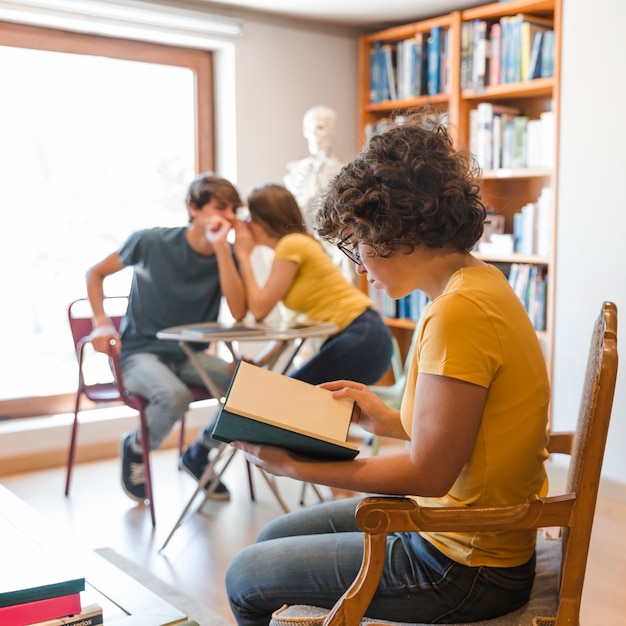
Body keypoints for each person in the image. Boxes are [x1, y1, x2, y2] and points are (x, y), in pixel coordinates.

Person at [224, 108, 551, 626]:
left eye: (357, 245)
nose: (359, 266)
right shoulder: (475, 285)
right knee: (273, 540)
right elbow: (462, 437)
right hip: (463, 537)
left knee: (246, 575)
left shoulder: (458, 313)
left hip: (463, 567)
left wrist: (295, 467)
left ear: (392, 231)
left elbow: (429, 471)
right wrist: (384, 418)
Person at [183, 183, 393, 464]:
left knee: (277, 403)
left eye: (249, 218)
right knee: (283, 404)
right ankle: (201, 452)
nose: (244, 225)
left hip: (361, 336)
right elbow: (291, 329)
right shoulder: (292, 249)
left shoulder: (291, 245)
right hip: (365, 339)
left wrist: (243, 255)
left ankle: (200, 451)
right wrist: (262, 361)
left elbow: (258, 309)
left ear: (263, 220)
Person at [86, 172, 247, 504]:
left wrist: (223, 250)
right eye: (220, 207)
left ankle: (200, 453)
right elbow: (95, 273)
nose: (229, 216)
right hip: (140, 353)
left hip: (189, 355)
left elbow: (239, 310)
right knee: (174, 397)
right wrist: (101, 322)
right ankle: (135, 446)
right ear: (193, 207)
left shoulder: (226, 254)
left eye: (234, 209)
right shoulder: (150, 242)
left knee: (251, 389)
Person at [284, 105, 355, 284]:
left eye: (321, 128)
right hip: (303, 242)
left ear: (332, 131)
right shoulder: (294, 172)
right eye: (309, 129)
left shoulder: (341, 171)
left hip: (333, 244)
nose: (314, 134)